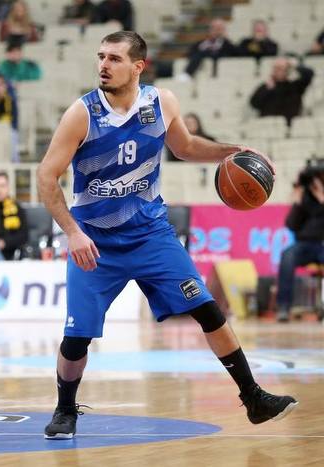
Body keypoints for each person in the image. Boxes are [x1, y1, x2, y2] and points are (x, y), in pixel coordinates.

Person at [36, 30, 297, 440]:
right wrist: (72, 232)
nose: (103, 65)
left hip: (150, 233)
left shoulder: (161, 102)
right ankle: (65, 409)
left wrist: (235, 151)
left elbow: (186, 147)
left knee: (208, 310)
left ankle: (254, 398)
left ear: (138, 66)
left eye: (114, 58)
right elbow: (45, 176)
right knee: (77, 336)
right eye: (101, 57)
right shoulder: (82, 114)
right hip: (96, 240)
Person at [276, 163, 324, 322]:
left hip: (321, 244)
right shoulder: (304, 200)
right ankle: (283, 307)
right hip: (303, 245)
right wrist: (297, 202)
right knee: (287, 256)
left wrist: (322, 198)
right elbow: (291, 225)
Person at [250, 57, 313, 125]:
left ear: (288, 70)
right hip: (268, 125)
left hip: (291, 125)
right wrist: (267, 90)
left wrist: (294, 66)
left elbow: (309, 73)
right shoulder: (266, 86)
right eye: (275, 68)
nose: (276, 70)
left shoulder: (296, 86)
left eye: (280, 68)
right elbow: (254, 104)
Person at [0, 74, 20, 162]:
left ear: (5, 86)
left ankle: (14, 164)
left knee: (12, 136)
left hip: (9, 131)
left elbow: (11, 122)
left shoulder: (10, 100)